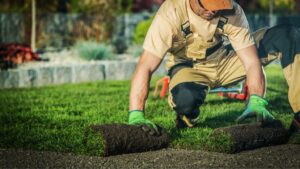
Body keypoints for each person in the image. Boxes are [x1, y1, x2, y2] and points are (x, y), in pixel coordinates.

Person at [127, 0, 300, 133]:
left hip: (224, 59)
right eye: (208, 5)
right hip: (189, 67)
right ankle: (188, 115)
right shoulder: (171, 12)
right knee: (185, 100)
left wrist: (256, 100)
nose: (213, 10)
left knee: (287, 35)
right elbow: (146, 66)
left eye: (217, 4)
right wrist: (136, 114)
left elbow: (251, 61)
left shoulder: (232, 10)